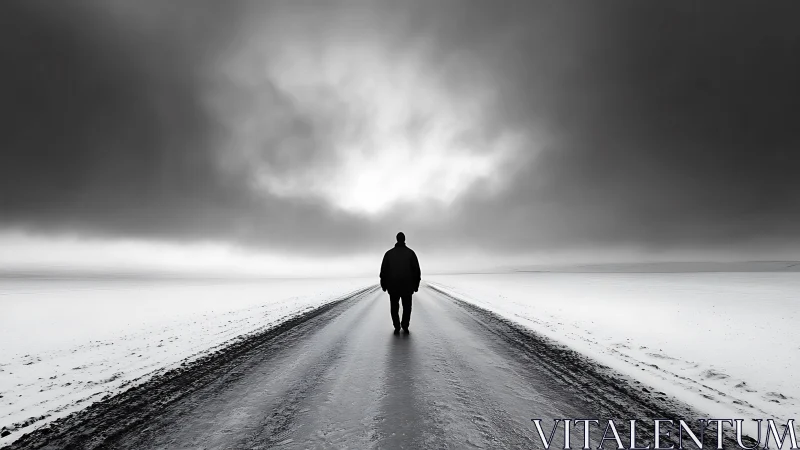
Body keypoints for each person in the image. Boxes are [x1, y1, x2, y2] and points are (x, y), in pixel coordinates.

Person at [380, 232, 421, 334]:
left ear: (397, 239)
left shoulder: (389, 254)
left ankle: (397, 326)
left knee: (394, 307)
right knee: (407, 307)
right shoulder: (410, 253)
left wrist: (384, 284)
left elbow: (383, 270)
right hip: (407, 286)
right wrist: (416, 285)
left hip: (393, 286)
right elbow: (416, 271)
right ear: (404, 239)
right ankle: (405, 325)